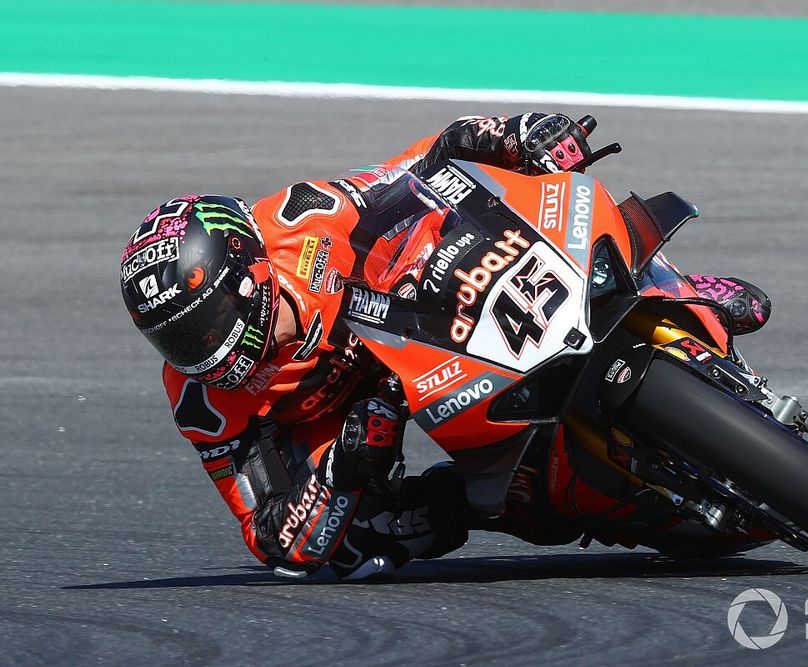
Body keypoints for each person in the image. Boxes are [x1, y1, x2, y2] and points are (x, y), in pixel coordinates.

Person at [120, 112, 771, 580]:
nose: (199, 350)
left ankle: (676, 290)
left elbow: (416, 169)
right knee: (409, 530)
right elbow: (270, 537)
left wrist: (511, 136)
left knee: (511, 219)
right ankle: (610, 501)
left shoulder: (302, 219)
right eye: (176, 338)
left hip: (406, 323)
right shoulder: (201, 401)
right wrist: (343, 472)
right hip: (350, 431)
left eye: (203, 327)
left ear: (249, 273)